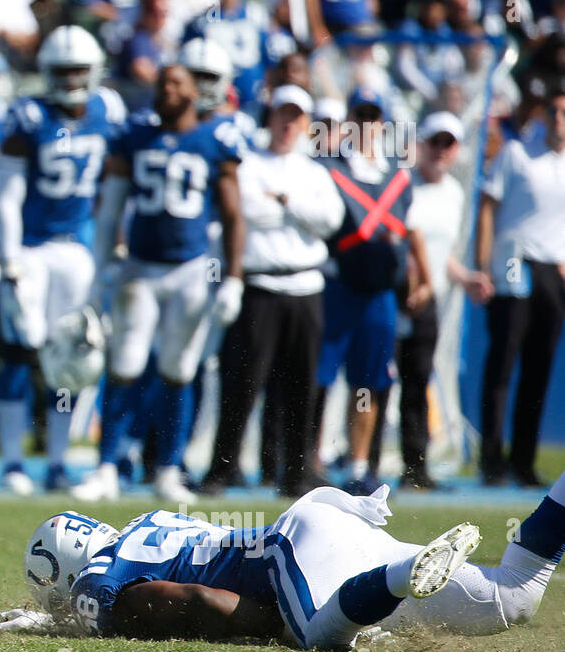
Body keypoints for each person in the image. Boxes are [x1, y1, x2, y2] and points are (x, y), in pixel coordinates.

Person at [0, 471, 565, 648]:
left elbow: (194, 600)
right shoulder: (146, 525)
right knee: (512, 594)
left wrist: (272, 629)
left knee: (315, 638)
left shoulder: (99, 585)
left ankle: (390, 583)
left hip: (292, 558)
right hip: (325, 523)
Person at [76, 51, 246, 504]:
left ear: (194, 91)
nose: (168, 90)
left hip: (191, 269)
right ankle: (107, 466)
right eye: (162, 84)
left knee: (179, 370)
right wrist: (103, 263)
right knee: (125, 365)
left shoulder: (215, 140)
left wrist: (234, 278)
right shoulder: (133, 136)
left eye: (177, 83)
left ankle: (168, 469)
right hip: (140, 268)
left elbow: (233, 216)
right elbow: (110, 206)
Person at [0, 25, 126, 496]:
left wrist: (113, 247)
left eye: (79, 70)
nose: (71, 79)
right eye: (62, 70)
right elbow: (7, 197)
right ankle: (12, 462)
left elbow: (116, 192)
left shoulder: (109, 111)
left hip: (80, 250)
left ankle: (55, 462)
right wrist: (9, 259)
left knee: (70, 358)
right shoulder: (27, 116)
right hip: (30, 250)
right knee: (19, 350)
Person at [201, 85, 344, 497]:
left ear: (305, 123)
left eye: (296, 116)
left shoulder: (314, 172)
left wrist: (284, 201)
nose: (288, 123)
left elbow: (329, 221)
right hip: (260, 286)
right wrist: (294, 210)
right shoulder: (248, 164)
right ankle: (221, 469)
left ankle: (295, 473)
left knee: (302, 386)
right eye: (282, 113)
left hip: (305, 285)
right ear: (270, 116)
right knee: (243, 383)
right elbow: (246, 212)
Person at [315, 86, 432, 495]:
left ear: (382, 123)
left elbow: (409, 233)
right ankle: (309, 461)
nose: (366, 125)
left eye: (373, 117)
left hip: (379, 293)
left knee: (367, 384)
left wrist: (419, 280)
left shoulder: (398, 178)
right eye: (359, 116)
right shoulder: (328, 167)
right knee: (321, 376)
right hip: (337, 287)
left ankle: (359, 464)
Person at [370, 112, 492, 490]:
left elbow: (443, 255)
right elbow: (396, 239)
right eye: (435, 142)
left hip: (430, 300)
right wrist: (411, 283)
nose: (441, 150)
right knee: (376, 384)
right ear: (421, 144)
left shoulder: (455, 193)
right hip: (395, 295)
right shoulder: (402, 184)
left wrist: (465, 277)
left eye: (448, 143)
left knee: (417, 381)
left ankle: (414, 469)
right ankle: (367, 467)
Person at [476, 81, 565, 487]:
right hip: (513, 266)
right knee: (502, 366)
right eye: (556, 112)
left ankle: (523, 461)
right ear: (544, 115)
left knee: (538, 369)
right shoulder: (516, 153)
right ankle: (491, 460)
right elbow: (488, 207)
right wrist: (483, 264)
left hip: (553, 270)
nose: (560, 121)